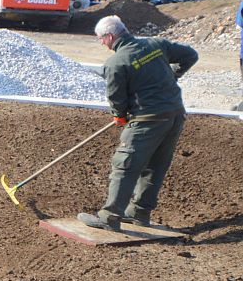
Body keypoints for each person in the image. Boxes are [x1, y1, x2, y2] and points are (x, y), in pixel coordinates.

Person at [78, 15, 198, 231]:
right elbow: (191, 55)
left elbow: (117, 98)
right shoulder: (156, 44)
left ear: (110, 36)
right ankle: (139, 212)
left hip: (147, 120)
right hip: (174, 115)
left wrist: (120, 116)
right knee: (156, 166)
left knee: (124, 165)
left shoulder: (115, 63)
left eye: (100, 39)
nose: (101, 43)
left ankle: (110, 217)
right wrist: (174, 74)